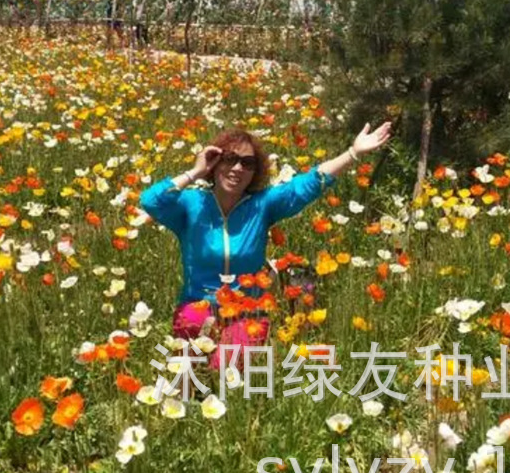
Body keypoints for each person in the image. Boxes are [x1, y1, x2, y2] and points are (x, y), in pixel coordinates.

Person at [139, 122, 392, 369]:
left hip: (247, 312)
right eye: (229, 158)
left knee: (223, 368)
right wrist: (195, 171)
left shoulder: (262, 205)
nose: (238, 168)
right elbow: (150, 200)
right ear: (215, 163)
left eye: (247, 163)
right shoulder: (190, 205)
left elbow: (308, 184)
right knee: (184, 369)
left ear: (254, 172)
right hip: (197, 305)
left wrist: (353, 153)